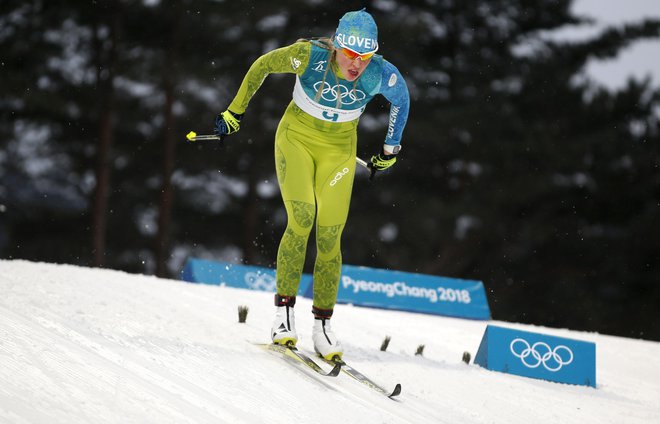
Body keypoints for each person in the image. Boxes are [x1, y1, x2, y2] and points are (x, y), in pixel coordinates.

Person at [214, 9, 410, 360]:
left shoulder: (380, 73)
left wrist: (390, 149)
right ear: (337, 46)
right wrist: (234, 113)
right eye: (350, 55)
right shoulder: (310, 56)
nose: (356, 65)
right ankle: (283, 316)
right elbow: (262, 65)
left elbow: (402, 99)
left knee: (330, 237)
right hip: (297, 139)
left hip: (339, 151)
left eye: (364, 58)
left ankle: (322, 325)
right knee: (301, 219)